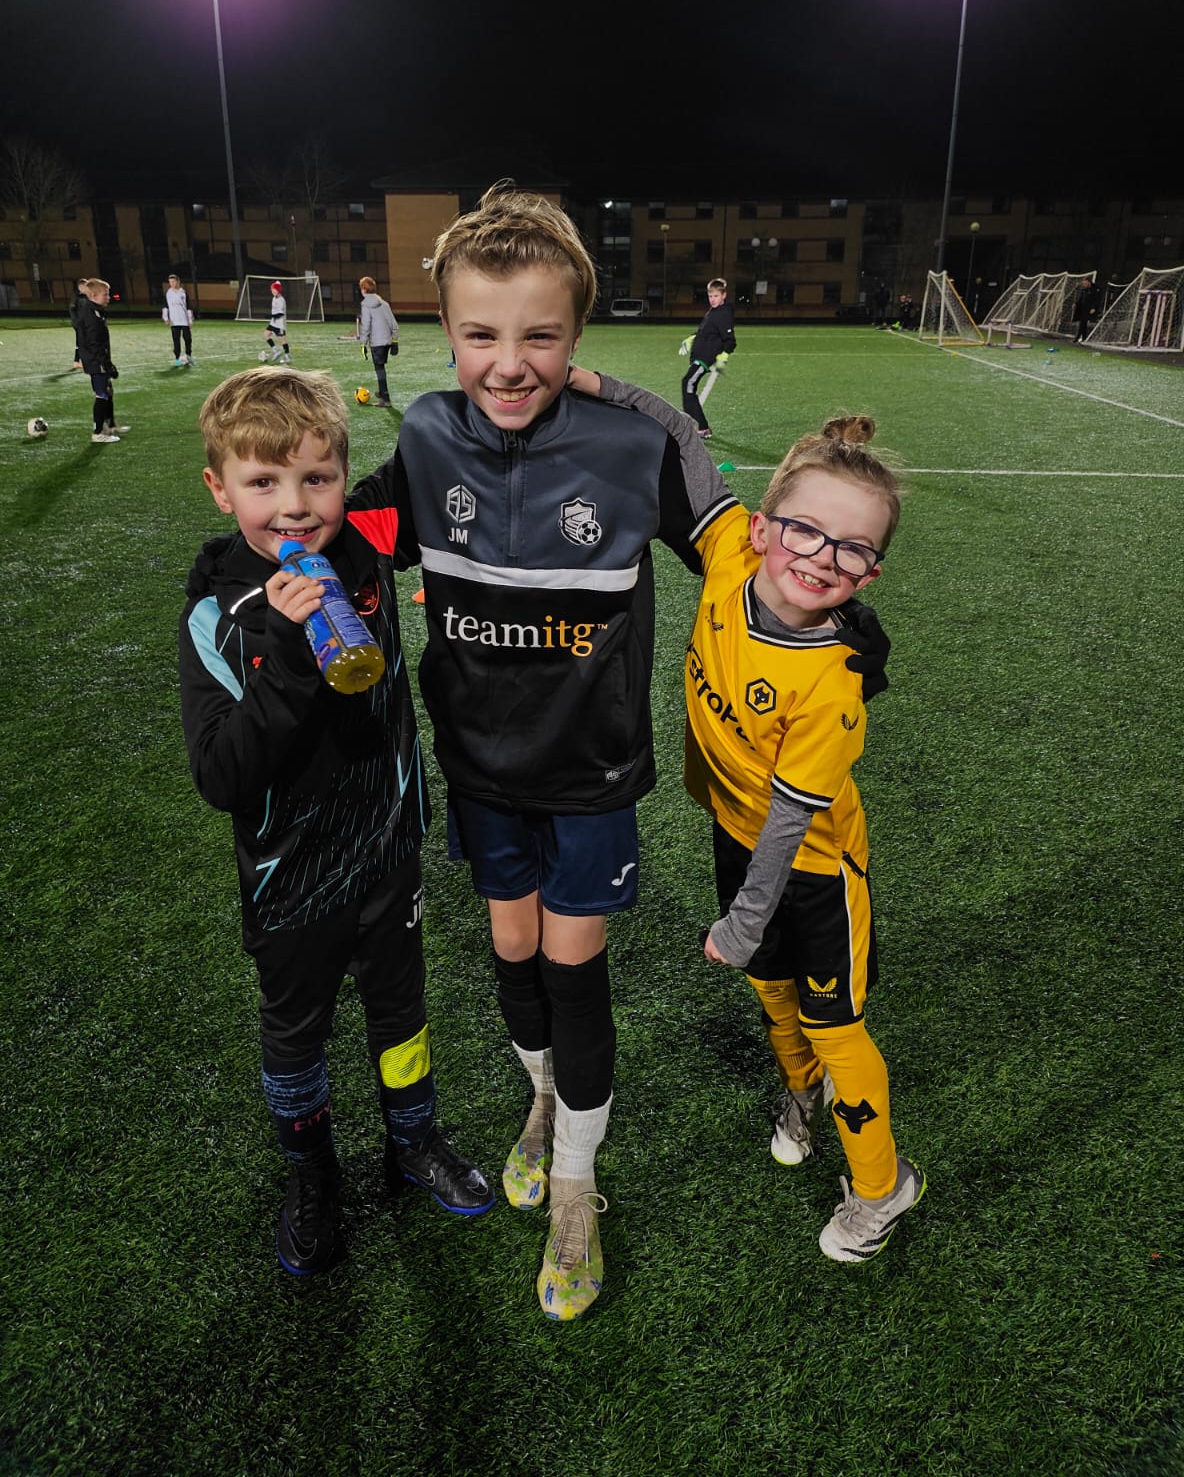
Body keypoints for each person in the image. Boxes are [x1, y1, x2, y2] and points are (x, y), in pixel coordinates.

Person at [348, 184, 890, 1319]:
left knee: (570, 967)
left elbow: (743, 553)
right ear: (444, 330)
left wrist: (839, 620)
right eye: (481, 335)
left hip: (591, 780)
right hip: (478, 768)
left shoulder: (629, 443)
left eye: (539, 336)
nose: (507, 362)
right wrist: (274, 567)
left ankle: (579, 1191)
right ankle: (542, 1103)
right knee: (509, 951)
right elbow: (366, 530)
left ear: (576, 335)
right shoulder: (427, 431)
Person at [178, 366, 493, 1278]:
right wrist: (289, 651)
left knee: (401, 1012)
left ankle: (413, 1140)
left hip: (387, 853)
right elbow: (223, 774)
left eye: (316, 478)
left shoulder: (364, 535)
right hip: (290, 878)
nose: (294, 506)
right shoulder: (217, 614)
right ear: (220, 487)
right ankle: (311, 1176)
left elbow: (438, 446)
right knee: (297, 1031)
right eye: (263, 483)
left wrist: (508, 370)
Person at [684, 414, 924, 1263]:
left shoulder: (833, 681)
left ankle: (882, 1185)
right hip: (734, 836)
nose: (823, 556)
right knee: (771, 994)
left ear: (872, 572)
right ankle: (801, 1096)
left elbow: (792, 822)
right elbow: (682, 435)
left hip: (814, 870)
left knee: (835, 1025)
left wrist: (747, 918)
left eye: (852, 548)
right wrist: (588, 382)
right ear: (760, 530)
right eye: (806, 530)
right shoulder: (728, 561)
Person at [680, 278, 736, 438]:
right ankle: (699, 426)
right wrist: (690, 339)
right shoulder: (714, 311)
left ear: (724, 295)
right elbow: (705, 330)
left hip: (705, 357)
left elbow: (730, 340)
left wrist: (723, 357)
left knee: (688, 384)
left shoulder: (723, 314)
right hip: (699, 355)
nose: (713, 299)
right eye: (710, 296)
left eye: (716, 296)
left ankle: (700, 427)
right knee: (688, 386)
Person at [76, 278, 129, 443]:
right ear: (93, 295)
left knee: (108, 391)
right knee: (102, 395)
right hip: (96, 362)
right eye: (105, 294)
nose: (108, 297)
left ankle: (110, 425)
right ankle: (98, 432)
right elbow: (94, 343)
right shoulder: (91, 314)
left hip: (97, 360)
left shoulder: (95, 311)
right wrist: (106, 364)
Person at [356, 276, 398, 407]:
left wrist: (363, 344)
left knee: (379, 369)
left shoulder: (365, 305)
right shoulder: (384, 303)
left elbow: (366, 325)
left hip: (377, 342)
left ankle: (385, 399)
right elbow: (393, 323)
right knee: (381, 367)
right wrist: (395, 341)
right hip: (387, 342)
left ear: (363, 289)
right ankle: (381, 392)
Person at [162, 273, 195, 367]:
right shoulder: (168, 293)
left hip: (184, 321)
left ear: (178, 281)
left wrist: (190, 320)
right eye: (170, 282)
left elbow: (188, 307)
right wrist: (166, 318)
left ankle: (189, 357)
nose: (172, 283)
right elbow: (165, 306)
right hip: (174, 321)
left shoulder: (183, 292)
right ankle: (177, 359)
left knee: (188, 339)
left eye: (173, 281)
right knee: (176, 340)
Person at [259, 281, 291, 364]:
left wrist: (271, 316)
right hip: (273, 323)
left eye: (274, 290)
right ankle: (276, 351)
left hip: (280, 324)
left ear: (278, 290)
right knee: (266, 334)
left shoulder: (281, 300)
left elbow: (280, 314)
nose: (272, 291)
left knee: (282, 340)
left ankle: (288, 357)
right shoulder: (274, 298)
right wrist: (272, 317)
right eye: (272, 290)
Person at [68, 276, 88, 369]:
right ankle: (78, 361)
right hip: (79, 324)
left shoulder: (87, 297)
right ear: (80, 287)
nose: (86, 288)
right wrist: (77, 322)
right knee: (81, 342)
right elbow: (72, 310)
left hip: (87, 324)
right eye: (85, 287)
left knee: (85, 342)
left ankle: (79, 361)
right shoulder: (76, 297)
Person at [1073, 277, 1099, 342]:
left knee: (1082, 323)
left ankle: (1077, 338)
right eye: (1083, 284)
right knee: (1083, 323)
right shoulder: (1083, 290)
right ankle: (1084, 338)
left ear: (1089, 282)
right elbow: (1080, 298)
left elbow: (1096, 300)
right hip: (1082, 308)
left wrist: (1094, 308)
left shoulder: (1095, 289)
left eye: (1085, 283)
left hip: (1089, 309)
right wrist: (1076, 303)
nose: (1084, 285)